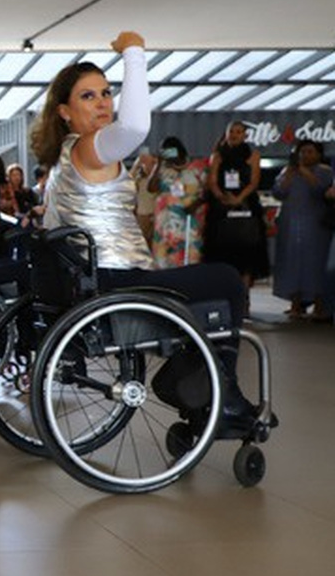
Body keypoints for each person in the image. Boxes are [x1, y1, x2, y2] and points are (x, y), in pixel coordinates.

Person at [30, 31, 262, 429]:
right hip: (120, 281)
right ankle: (218, 392)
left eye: (106, 92)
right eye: (88, 96)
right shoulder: (90, 147)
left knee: (205, 287)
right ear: (64, 112)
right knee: (225, 280)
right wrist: (134, 53)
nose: (103, 102)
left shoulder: (63, 159)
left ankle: (195, 380)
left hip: (96, 279)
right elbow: (136, 126)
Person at [204, 120, 270, 296]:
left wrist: (238, 199)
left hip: (247, 206)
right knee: (222, 253)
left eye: (238, 132)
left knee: (247, 255)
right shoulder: (217, 155)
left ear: (245, 135)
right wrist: (222, 197)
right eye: (231, 131)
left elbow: (254, 182)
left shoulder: (253, 155)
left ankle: (245, 296)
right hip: (221, 207)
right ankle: (226, 295)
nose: (234, 135)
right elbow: (212, 181)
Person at [271, 139, 334, 321]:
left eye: (309, 152)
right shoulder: (287, 171)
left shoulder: (325, 171)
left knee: (316, 265)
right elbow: (278, 192)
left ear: (318, 154)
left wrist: (305, 171)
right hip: (291, 224)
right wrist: (291, 173)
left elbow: (321, 190)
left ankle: (320, 305)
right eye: (302, 152)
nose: (305, 155)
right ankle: (296, 304)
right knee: (292, 263)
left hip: (317, 225)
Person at [149, 136, 205, 269]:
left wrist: (195, 204)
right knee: (163, 260)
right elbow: (151, 188)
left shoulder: (195, 168)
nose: (168, 154)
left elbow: (205, 192)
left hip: (188, 220)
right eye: (164, 151)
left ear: (179, 150)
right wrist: (158, 164)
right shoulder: (162, 169)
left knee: (188, 259)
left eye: (170, 150)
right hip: (165, 223)